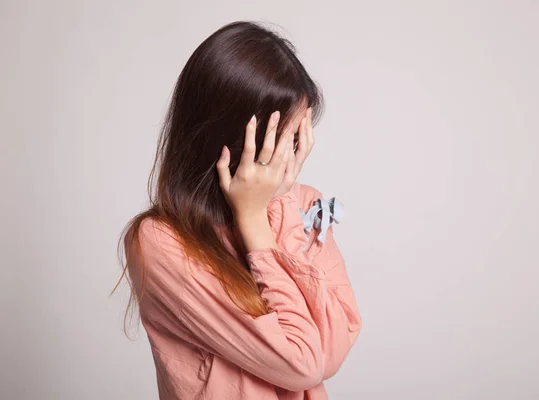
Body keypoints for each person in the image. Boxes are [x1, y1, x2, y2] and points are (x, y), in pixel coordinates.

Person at [117, 20, 362, 399]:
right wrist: (253, 218)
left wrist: (273, 204)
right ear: (234, 137)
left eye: (302, 134)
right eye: (286, 136)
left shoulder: (304, 204)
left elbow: (331, 350)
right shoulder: (161, 241)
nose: (297, 152)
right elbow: (303, 363)